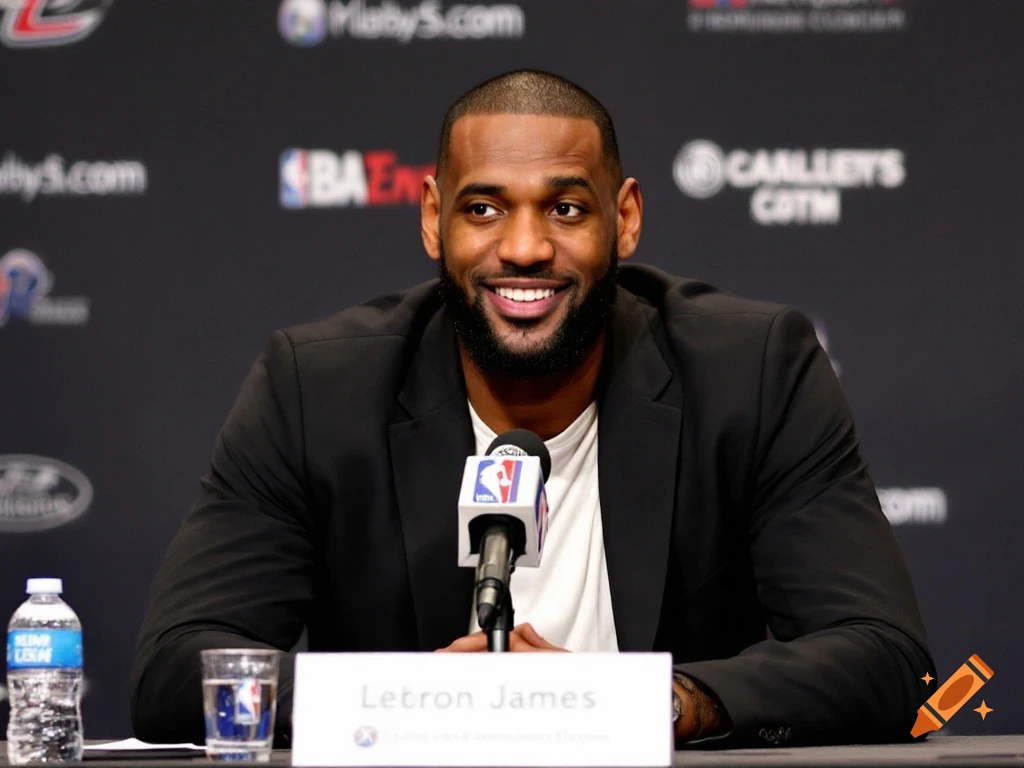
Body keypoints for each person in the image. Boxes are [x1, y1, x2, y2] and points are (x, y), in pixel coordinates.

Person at [131, 70, 934, 749]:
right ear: (431, 218)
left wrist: (638, 703)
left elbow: (883, 655)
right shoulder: (317, 388)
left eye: (565, 209)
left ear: (624, 219)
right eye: (483, 209)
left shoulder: (750, 370)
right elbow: (177, 671)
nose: (522, 247)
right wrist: (418, 702)